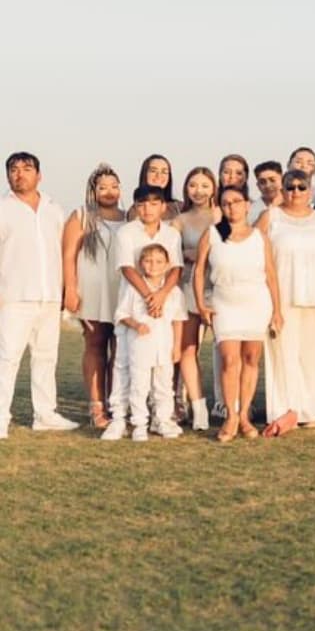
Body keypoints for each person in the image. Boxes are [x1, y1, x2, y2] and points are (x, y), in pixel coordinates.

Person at [194, 184, 283, 442]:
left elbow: (271, 274)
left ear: (247, 204)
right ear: (221, 207)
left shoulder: (259, 236)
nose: (231, 206)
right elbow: (199, 271)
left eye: (236, 201)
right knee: (229, 359)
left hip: (256, 301)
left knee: (251, 358)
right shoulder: (212, 234)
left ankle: (244, 414)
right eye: (226, 202)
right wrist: (201, 304)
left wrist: (277, 310)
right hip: (224, 301)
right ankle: (230, 416)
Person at [0, 152, 79, 438]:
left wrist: (66, 290)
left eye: (26, 168)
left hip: (49, 298)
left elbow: (63, 250)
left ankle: (45, 414)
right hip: (14, 297)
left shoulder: (53, 209)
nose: (19, 174)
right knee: (7, 359)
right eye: (13, 170)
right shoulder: (3, 209)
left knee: (46, 357)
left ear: (39, 175)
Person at [256, 170, 315, 433]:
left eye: (302, 187)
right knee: (283, 355)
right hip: (282, 296)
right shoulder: (271, 216)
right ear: (283, 189)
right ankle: (285, 409)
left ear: (310, 190)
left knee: (313, 356)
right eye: (290, 187)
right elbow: (256, 254)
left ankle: (312, 409)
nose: (296, 192)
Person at [112, 185, 185, 430]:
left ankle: (160, 418)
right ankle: (120, 417)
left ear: (163, 207)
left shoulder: (171, 234)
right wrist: (149, 296)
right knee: (124, 365)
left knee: (162, 369)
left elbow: (176, 268)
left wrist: (162, 294)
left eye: (154, 204)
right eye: (142, 204)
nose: (148, 209)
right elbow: (127, 267)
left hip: (164, 306)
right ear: (135, 207)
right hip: (135, 303)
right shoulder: (126, 232)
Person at [61, 164, 126, 429]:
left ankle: (116, 402)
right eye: (103, 187)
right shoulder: (81, 216)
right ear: (93, 190)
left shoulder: (129, 216)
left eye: (114, 186)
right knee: (96, 345)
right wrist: (71, 289)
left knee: (120, 350)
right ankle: (97, 406)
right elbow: (68, 255)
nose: (109, 192)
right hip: (93, 290)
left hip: (121, 289)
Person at [103, 244, 185, 441]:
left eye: (158, 262)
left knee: (164, 385)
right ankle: (139, 423)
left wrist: (177, 347)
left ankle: (163, 420)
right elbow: (121, 314)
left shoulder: (173, 293)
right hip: (140, 346)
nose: (153, 266)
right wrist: (136, 325)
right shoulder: (133, 289)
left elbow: (178, 320)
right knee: (139, 385)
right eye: (148, 261)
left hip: (164, 347)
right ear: (140, 264)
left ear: (167, 265)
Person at [171, 167, 219, 430]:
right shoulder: (180, 220)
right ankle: (197, 408)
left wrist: (199, 252)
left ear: (213, 187)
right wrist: (187, 253)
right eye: (193, 185)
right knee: (188, 348)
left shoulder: (223, 214)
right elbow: (170, 252)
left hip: (220, 288)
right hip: (190, 287)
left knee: (227, 349)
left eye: (204, 185)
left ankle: (230, 405)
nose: (198, 191)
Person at [128, 154, 182, 221]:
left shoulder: (179, 206)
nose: (159, 175)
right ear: (145, 174)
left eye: (164, 172)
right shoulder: (136, 210)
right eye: (153, 171)